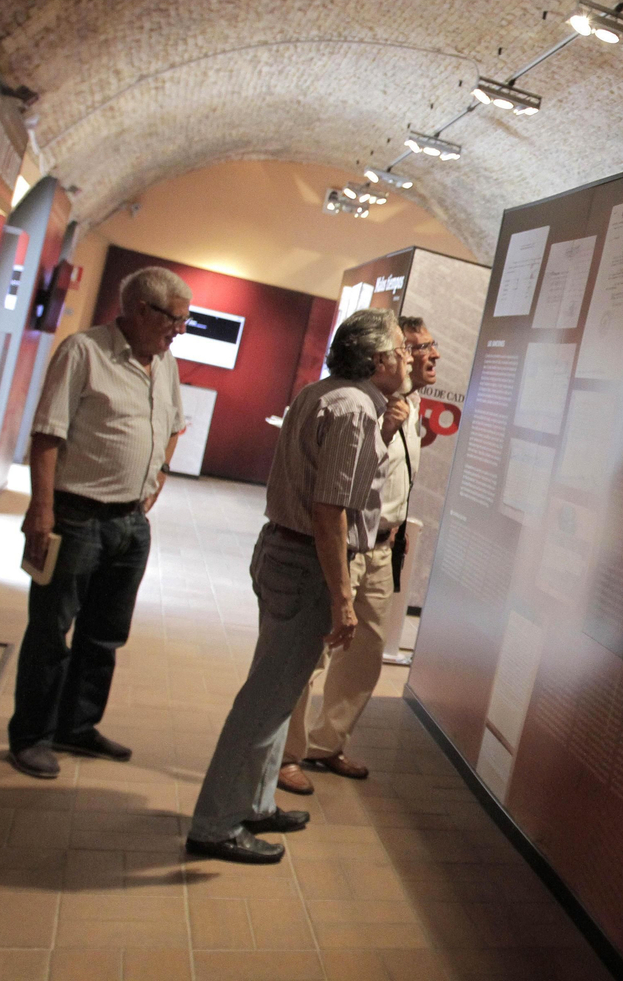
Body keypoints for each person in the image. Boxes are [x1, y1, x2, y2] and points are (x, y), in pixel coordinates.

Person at [185, 308, 409, 864]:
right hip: (307, 563)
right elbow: (330, 510)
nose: (408, 358)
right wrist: (342, 600)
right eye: (402, 350)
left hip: (283, 554)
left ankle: (255, 803)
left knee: (278, 694)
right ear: (378, 360)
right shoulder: (355, 409)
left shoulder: (322, 393)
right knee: (264, 703)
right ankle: (215, 824)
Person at [8, 265, 190, 779]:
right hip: (76, 516)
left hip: (131, 525)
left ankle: (76, 726)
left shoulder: (166, 364)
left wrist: (158, 476)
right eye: (175, 319)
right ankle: (31, 736)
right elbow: (47, 435)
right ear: (140, 310)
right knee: (51, 631)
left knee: (105, 634)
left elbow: (175, 424)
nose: (179, 330)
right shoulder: (83, 352)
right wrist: (40, 509)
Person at [278, 315, 440, 793]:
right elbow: (341, 489)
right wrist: (385, 431)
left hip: (382, 547)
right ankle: (287, 753)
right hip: (344, 545)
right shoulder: (362, 409)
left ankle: (326, 744)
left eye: (429, 347)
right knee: (311, 655)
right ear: (385, 358)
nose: (425, 357)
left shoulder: (408, 407)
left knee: (365, 655)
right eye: (415, 347)